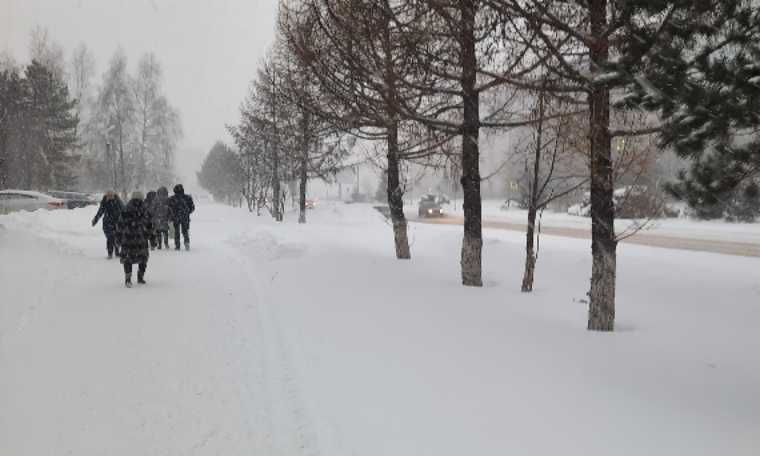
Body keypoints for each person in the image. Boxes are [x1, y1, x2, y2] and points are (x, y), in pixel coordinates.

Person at [118, 191, 153, 287]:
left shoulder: (126, 209)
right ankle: (140, 277)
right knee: (143, 258)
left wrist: (119, 237)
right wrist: (152, 237)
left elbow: (120, 224)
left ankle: (128, 279)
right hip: (141, 238)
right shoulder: (145, 209)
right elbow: (150, 225)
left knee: (127, 259)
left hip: (128, 238)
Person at [92, 191, 124, 259]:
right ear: (106, 196)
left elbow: (124, 210)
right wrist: (95, 220)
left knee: (117, 237)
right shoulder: (104, 202)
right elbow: (100, 212)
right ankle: (110, 253)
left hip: (117, 223)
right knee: (110, 238)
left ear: (114, 195)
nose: (109, 197)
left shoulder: (118, 202)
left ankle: (117, 251)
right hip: (107, 223)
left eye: (111, 195)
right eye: (108, 196)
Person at [167, 184, 195, 250]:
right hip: (185, 217)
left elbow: (169, 209)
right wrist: (188, 212)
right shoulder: (188, 197)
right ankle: (186, 242)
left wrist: (170, 216)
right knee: (185, 231)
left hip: (176, 217)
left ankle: (177, 245)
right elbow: (192, 207)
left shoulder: (172, 199)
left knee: (176, 231)